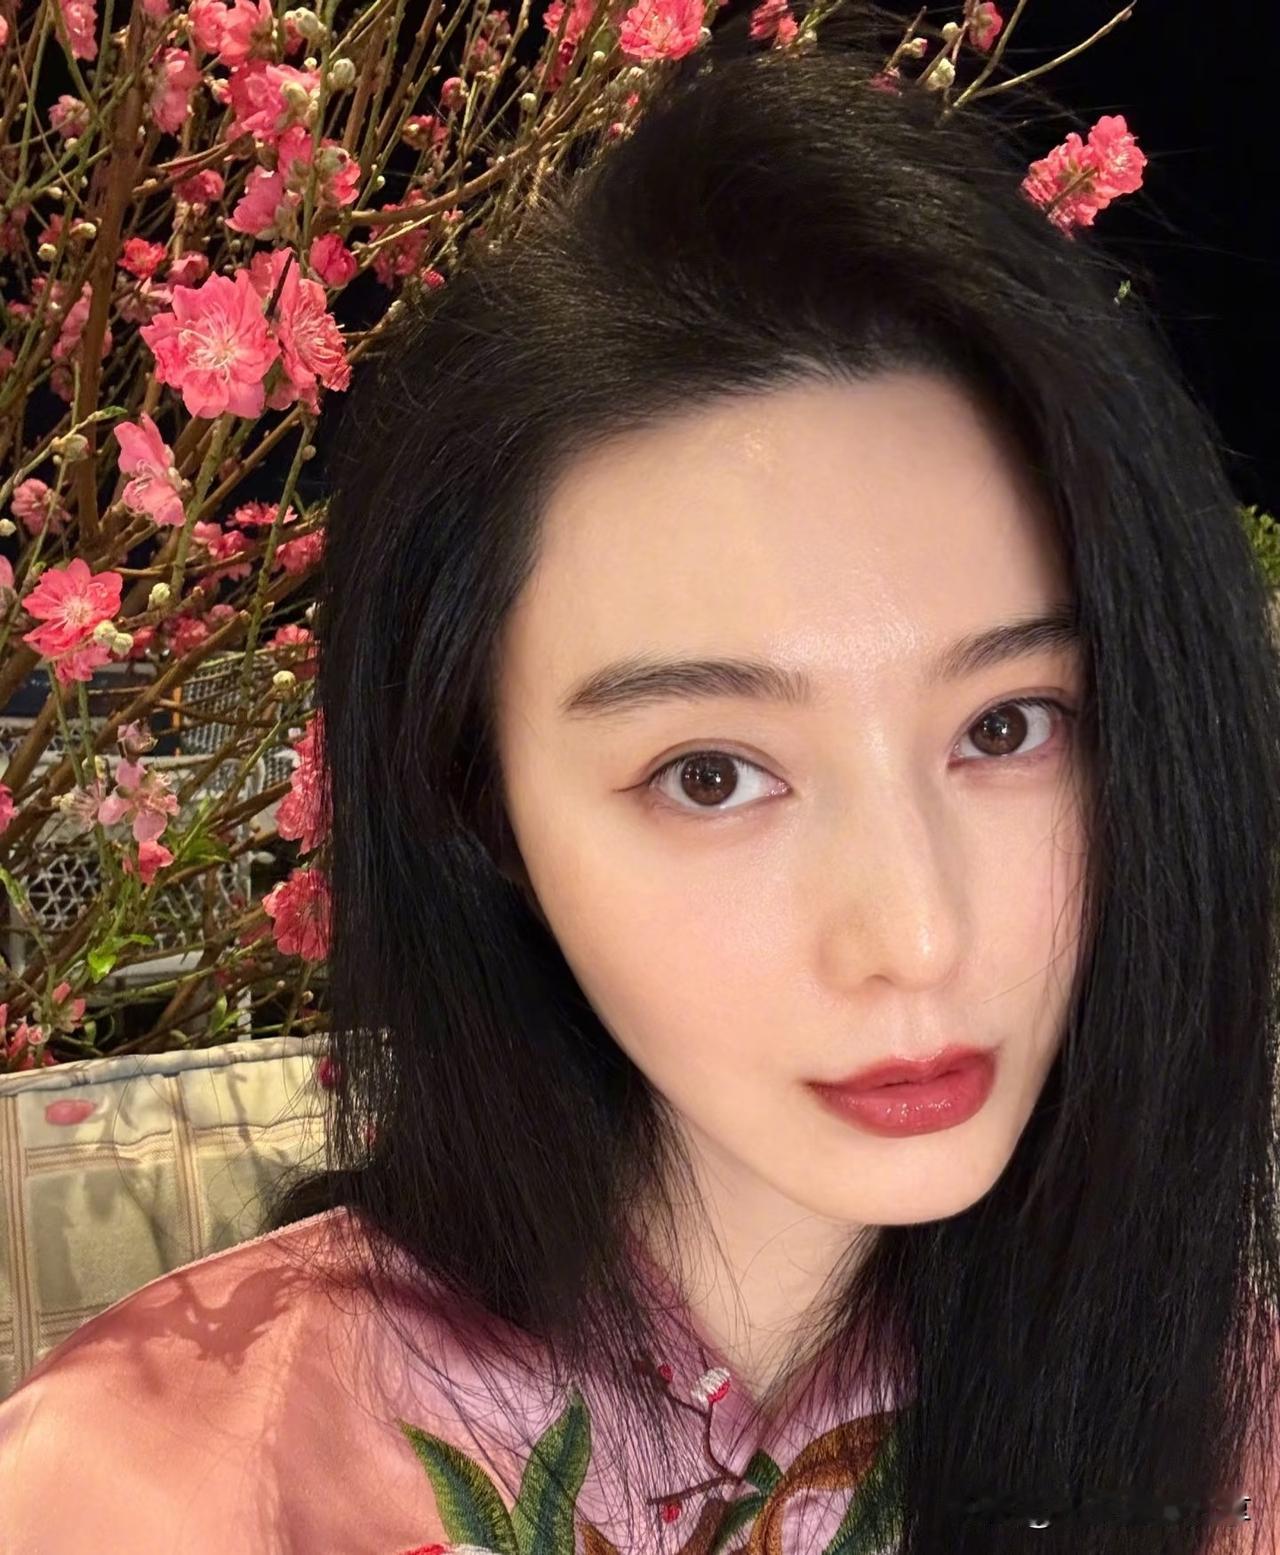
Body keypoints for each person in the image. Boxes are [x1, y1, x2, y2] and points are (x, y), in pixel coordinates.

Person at [4, 5, 1279, 1553]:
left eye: (1008, 727)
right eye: (712, 774)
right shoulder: (166, 1486)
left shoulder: (1225, 1411)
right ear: (480, 801)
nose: (915, 935)